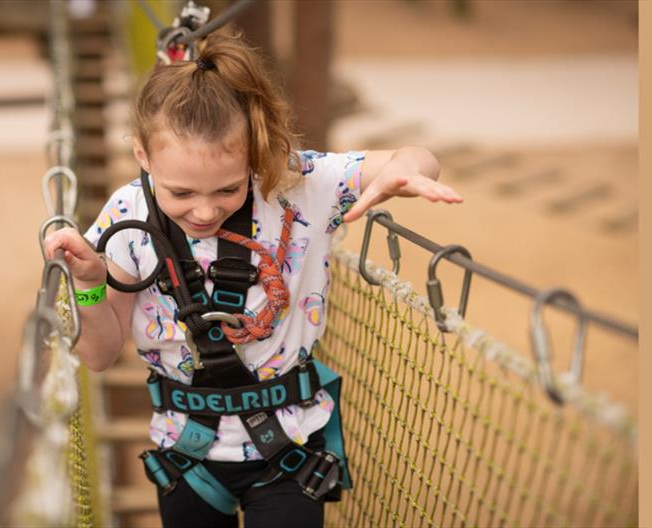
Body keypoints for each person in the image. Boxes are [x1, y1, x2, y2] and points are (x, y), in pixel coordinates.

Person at [43, 31, 461, 528]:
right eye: (179, 192)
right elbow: (99, 354)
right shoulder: (127, 216)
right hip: (186, 456)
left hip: (290, 451)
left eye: (228, 188)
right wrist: (89, 281)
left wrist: (405, 171)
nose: (204, 210)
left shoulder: (296, 185)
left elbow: (414, 156)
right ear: (141, 155)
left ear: (252, 159)